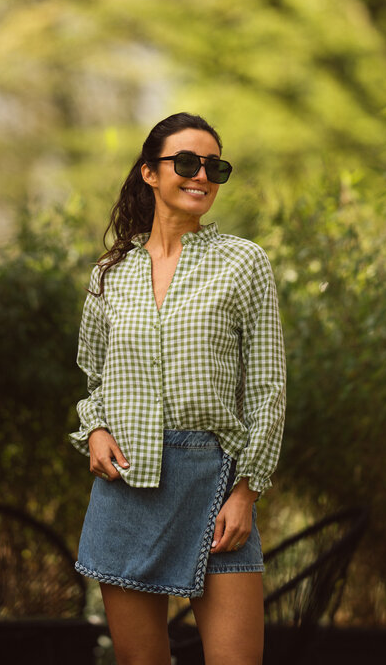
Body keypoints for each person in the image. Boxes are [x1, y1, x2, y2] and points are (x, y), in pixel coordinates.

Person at [69, 112, 286, 665]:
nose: (202, 175)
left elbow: (267, 389)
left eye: (215, 166)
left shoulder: (243, 262)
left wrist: (247, 492)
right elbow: (94, 379)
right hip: (126, 486)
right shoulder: (110, 273)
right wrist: (95, 429)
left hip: (215, 486)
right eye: (187, 162)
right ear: (150, 172)